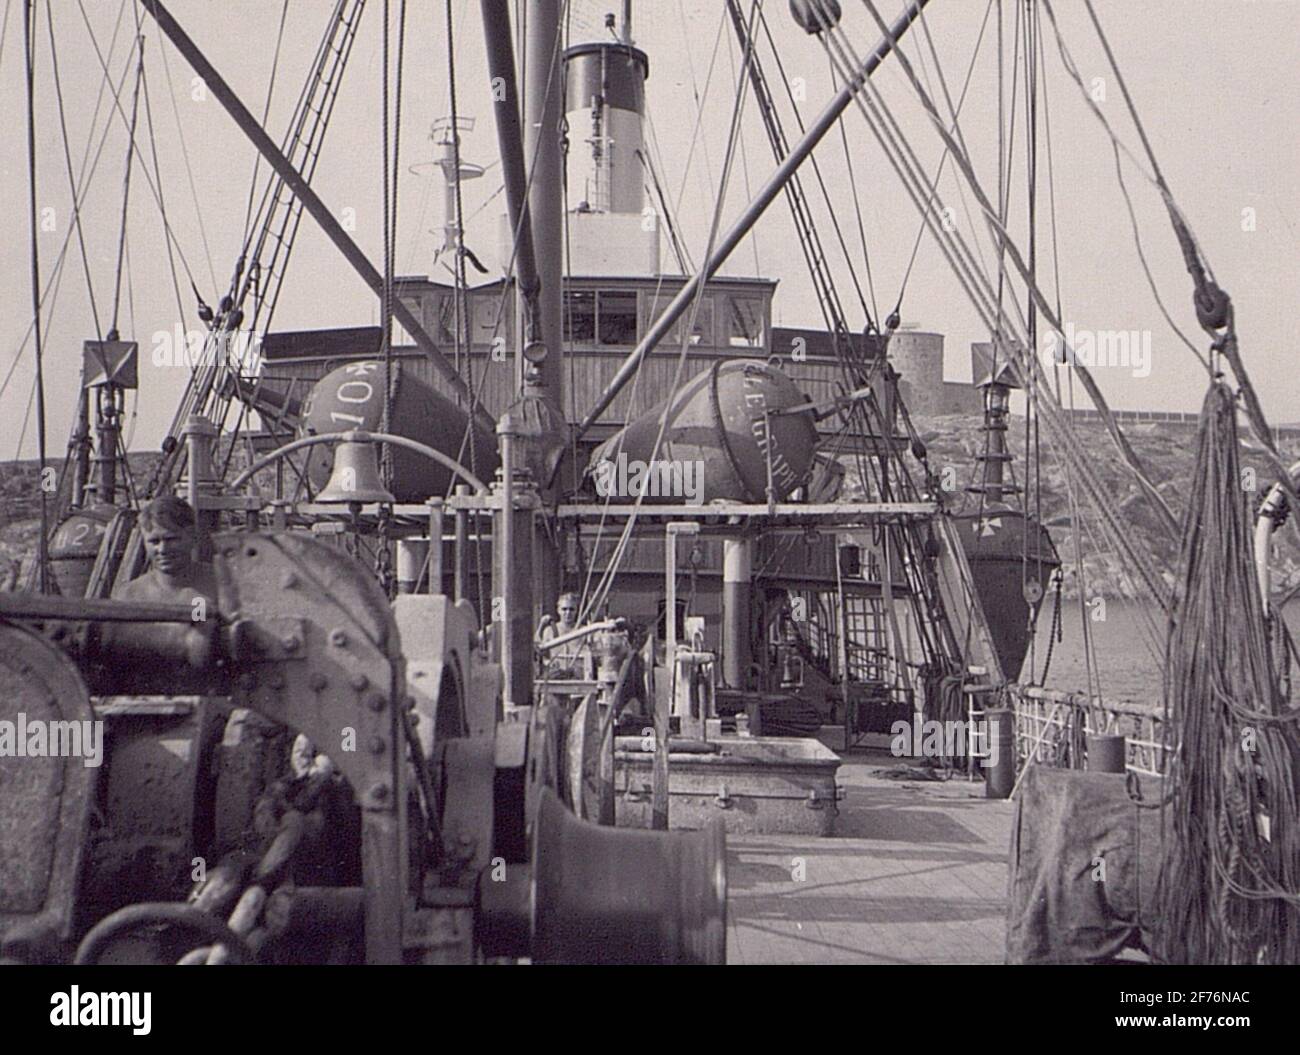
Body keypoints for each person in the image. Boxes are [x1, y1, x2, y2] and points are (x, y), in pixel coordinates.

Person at [115, 495, 218, 608]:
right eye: (154, 541)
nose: (162, 549)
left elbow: (200, 620)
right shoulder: (131, 597)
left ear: (193, 536)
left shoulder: (220, 586)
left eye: (171, 539)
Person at [535, 592, 589, 679]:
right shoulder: (550, 631)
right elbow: (539, 653)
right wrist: (541, 626)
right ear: (558, 610)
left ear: (576, 610)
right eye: (564, 609)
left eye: (571, 609)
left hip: (578, 679)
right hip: (556, 677)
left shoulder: (584, 631)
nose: (568, 613)